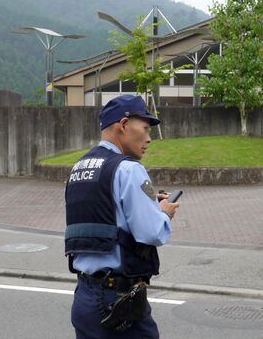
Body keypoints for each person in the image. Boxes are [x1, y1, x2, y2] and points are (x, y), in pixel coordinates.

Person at [65, 94, 179, 339]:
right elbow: (152, 232)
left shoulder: (79, 168)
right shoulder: (130, 169)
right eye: (145, 128)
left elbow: (103, 212)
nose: (149, 138)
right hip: (117, 301)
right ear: (124, 125)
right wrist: (164, 213)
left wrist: (147, 203)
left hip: (84, 297)